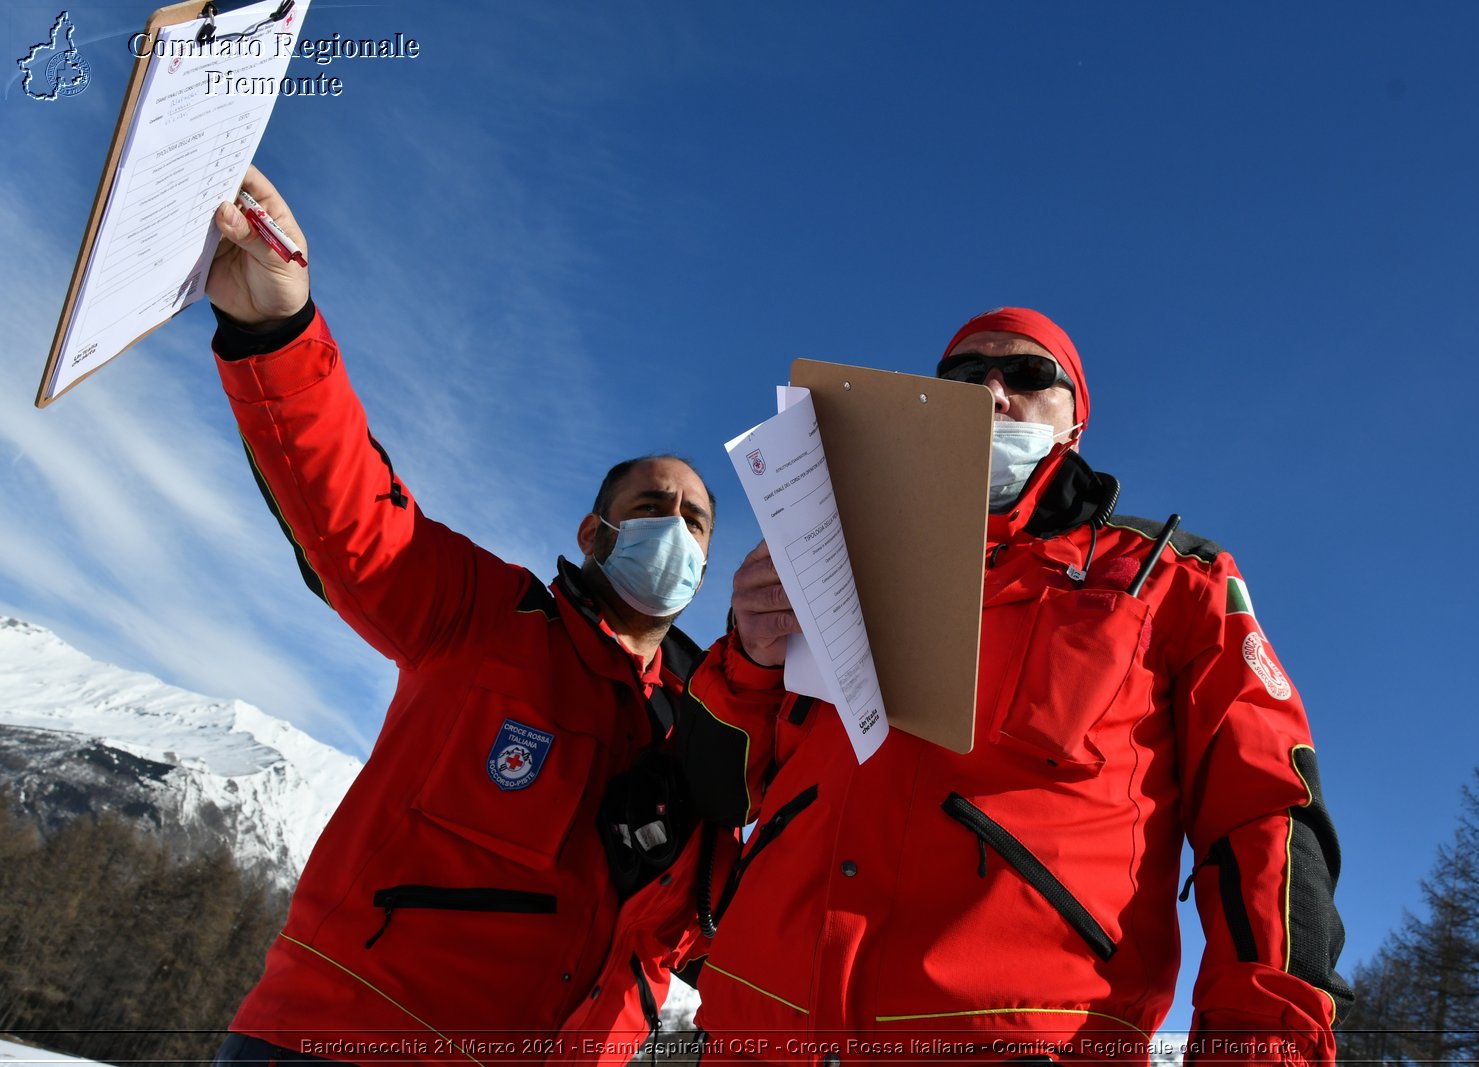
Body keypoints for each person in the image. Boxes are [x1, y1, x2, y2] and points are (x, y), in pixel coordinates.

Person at [678, 307, 1353, 1064]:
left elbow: (1265, 806)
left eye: (1029, 375)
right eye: (966, 378)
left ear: (1075, 425)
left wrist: (1263, 1040)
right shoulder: (836, 564)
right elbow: (716, 794)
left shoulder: (1170, 580)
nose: (994, 395)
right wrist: (750, 658)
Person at [204, 168, 719, 1066]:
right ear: (594, 534)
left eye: (694, 518)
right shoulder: (489, 613)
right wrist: (277, 329)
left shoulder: (711, 727)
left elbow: (738, 930)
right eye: (650, 506)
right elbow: (356, 517)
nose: (672, 525)